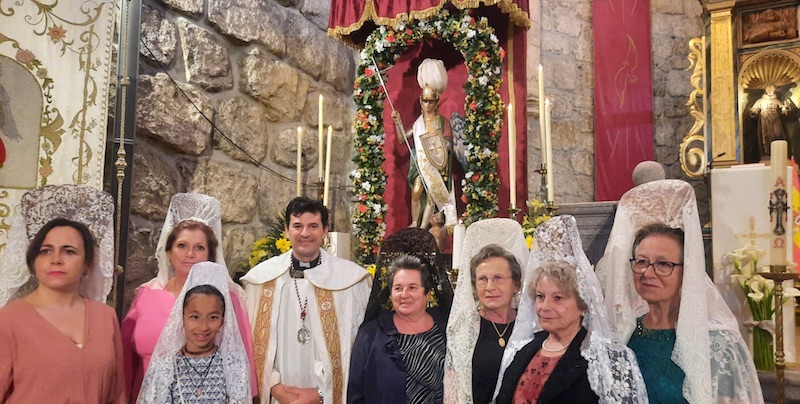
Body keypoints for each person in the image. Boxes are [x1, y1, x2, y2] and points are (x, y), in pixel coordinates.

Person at [599, 179, 763, 403]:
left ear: (688, 272)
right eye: (641, 261)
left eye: (664, 264)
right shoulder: (624, 333)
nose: (648, 273)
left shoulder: (718, 342)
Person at [495, 215, 648, 403]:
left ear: (583, 306)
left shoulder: (608, 359)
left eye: (558, 298)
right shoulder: (524, 350)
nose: (545, 307)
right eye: (541, 297)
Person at [122, 192, 256, 401]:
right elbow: (125, 360)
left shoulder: (228, 299)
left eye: (199, 248)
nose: (190, 254)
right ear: (168, 252)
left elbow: (242, 360)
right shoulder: (145, 295)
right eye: (182, 246)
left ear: (211, 256)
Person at [242, 196, 371, 404]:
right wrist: (273, 386)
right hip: (278, 398)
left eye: (313, 226)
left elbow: (356, 350)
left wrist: (321, 393)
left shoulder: (351, 281)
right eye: (297, 226)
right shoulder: (261, 280)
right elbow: (248, 342)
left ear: (325, 230)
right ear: (286, 230)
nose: (304, 233)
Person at [0, 188, 125, 403]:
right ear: (33, 262)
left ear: (87, 264)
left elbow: (118, 394)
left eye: (69, 251)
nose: (56, 259)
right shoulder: (9, 321)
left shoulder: (106, 317)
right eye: (46, 251)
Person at [138, 262, 251, 402]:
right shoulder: (165, 366)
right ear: (182, 317)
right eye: (195, 317)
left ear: (223, 321)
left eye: (213, 317)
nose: (203, 327)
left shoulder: (233, 366)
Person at [444, 218, 528, 404]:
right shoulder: (465, 328)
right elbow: (453, 391)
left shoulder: (528, 327)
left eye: (498, 278)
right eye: (482, 279)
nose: (489, 286)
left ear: (515, 284)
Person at [348, 254, 448, 403]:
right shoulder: (370, 334)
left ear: (427, 293)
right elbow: (356, 392)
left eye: (412, 288)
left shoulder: (446, 330)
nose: (404, 295)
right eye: (398, 288)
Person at [392, 58, 457, 228]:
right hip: (419, 164)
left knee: (430, 195)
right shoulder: (418, 123)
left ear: (436, 102)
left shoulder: (444, 122)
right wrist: (397, 123)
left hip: (436, 167)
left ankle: (422, 228)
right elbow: (402, 139)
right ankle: (414, 222)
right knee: (416, 191)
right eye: (424, 101)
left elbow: (449, 144)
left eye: (430, 101)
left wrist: (441, 144)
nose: (427, 104)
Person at [750, 83, 790, 158]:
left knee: (777, 134)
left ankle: (778, 153)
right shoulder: (760, 101)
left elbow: (783, 109)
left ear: (774, 89)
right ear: (765, 90)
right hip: (764, 120)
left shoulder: (776, 100)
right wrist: (753, 111)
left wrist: (786, 107)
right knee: (766, 136)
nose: (770, 91)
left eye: (771, 89)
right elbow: (754, 109)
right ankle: (767, 153)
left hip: (775, 119)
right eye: (768, 89)